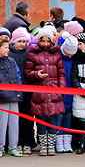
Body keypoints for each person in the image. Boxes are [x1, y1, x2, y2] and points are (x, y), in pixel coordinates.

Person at [24, 27, 65, 156]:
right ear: (39, 41)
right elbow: (27, 72)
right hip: (39, 93)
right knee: (41, 119)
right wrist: (36, 74)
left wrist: (60, 91)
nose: (46, 44)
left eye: (48, 41)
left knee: (53, 119)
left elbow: (61, 74)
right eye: (43, 41)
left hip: (54, 92)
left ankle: (51, 145)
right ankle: (43, 145)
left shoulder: (56, 55)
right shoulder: (33, 54)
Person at [9, 27, 35, 154]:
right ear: (14, 42)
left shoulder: (29, 53)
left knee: (28, 117)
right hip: (13, 91)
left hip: (28, 89)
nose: (22, 44)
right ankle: (17, 142)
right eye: (19, 41)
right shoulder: (9, 54)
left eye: (24, 42)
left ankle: (28, 142)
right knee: (16, 118)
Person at [0, 36, 23, 157]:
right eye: (5, 48)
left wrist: (18, 90)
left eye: (8, 47)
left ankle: (13, 147)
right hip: (2, 98)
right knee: (1, 124)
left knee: (14, 123)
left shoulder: (11, 61)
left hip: (14, 96)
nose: (8, 50)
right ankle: (0, 147)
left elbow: (18, 76)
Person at [57, 34, 78, 153]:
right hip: (60, 91)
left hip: (71, 90)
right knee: (59, 117)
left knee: (68, 118)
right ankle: (59, 142)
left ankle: (67, 142)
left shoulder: (74, 59)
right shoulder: (58, 57)